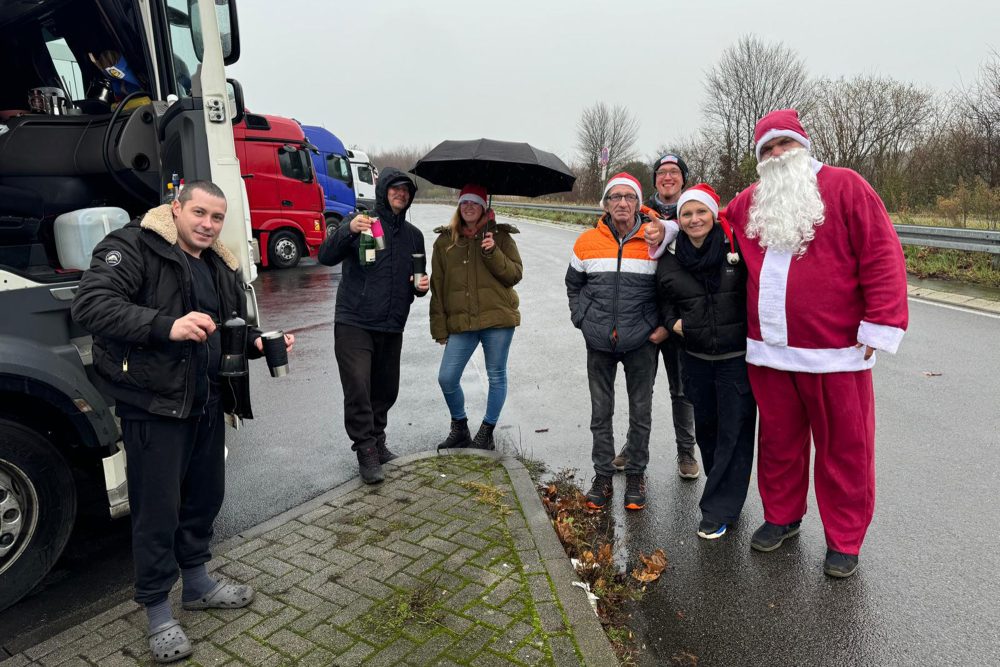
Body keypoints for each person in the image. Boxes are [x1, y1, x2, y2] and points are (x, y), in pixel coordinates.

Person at [71, 181, 294, 663]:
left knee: (203, 498)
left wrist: (257, 342)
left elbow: (230, 324)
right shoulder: (133, 245)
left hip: (209, 399)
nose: (208, 225)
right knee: (157, 511)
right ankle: (156, 610)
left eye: (217, 217)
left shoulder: (220, 261)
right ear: (176, 208)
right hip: (154, 404)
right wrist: (164, 325)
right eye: (199, 213)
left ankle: (196, 584)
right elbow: (91, 305)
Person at [723, 109, 908, 577]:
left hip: (836, 352)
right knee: (779, 443)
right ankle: (782, 517)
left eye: (784, 144)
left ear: (803, 146)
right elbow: (710, 224)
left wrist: (879, 322)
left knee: (844, 449)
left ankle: (845, 539)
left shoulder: (846, 186)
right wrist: (664, 230)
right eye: (767, 148)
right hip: (770, 351)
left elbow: (882, 252)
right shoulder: (750, 201)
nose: (777, 154)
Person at [566, 172, 677, 511]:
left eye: (629, 197)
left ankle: (635, 475)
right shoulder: (586, 241)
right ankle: (602, 475)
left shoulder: (655, 239)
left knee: (640, 413)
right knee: (601, 412)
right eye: (616, 197)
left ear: (638, 203)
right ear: (606, 204)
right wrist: (581, 319)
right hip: (598, 340)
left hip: (642, 341)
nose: (623, 203)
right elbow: (573, 284)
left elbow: (672, 286)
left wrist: (663, 327)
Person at [655, 183, 756, 540]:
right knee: (709, 434)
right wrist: (673, 323)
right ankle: (726, 496)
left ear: (714, 213)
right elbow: (663, 298)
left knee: (736, 434)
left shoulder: (736, 250)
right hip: (695, 359)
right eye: (686, 214)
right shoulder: (669, 257)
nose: (694, 219)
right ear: (678, 220)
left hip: (735, 360)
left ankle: (716, 510)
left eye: (701, 212)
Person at [318, 168, 429, 484]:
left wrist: (422, 286)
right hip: (354, 320)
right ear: (383, 191)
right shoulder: (361, 223)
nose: (401, 194)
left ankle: (378, 441)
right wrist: (348, 230)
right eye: (395, 189)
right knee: (358, 386)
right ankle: (365, 450)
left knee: (385, 389)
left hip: (392, 324)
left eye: (406, 191)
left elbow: (419, 278)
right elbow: (325, 256)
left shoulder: (414, 236)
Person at [617, 153, 699, 479]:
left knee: (682, 392)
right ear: (655, 180)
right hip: (642, 320)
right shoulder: (638, 214)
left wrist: (672, 322)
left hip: (678, 321)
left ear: (683, 178)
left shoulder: (694, 214)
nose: (668, 177)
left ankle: (687, 453)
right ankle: (634, 447)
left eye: (674, 172)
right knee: (641, 390)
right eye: (662, 172)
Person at [430, 184, 523, 450]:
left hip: (498, 320)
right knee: (447, 377)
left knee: (496, 375)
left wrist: (492, 252)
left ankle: (487, 432)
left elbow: (514, 275)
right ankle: (459, 427)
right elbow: (438, 287)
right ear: (459, 207)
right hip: (463, 322)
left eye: (474, 202)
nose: (468, 206)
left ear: (484, 206)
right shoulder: (445, 241)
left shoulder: (501, 237)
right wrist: (440, 328)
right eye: (464, 202)